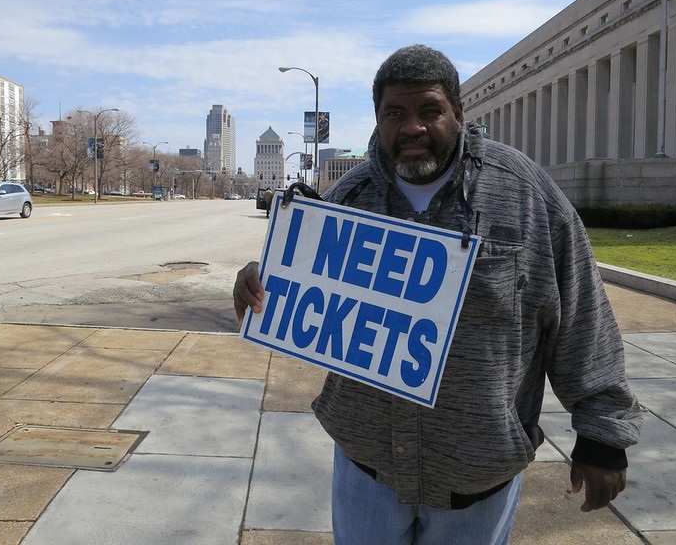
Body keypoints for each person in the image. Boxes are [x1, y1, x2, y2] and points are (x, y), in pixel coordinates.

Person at [233, 44, 641, 545]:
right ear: (379, 119)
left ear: (459, 112)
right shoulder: (349, 198)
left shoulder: (525, 193)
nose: (412, 127)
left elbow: (582, 316)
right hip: (367, 469)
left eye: (430, 111)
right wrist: (259, 278)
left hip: (477, 477)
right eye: (395, 113)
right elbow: (297, 291)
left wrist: (603, 435)